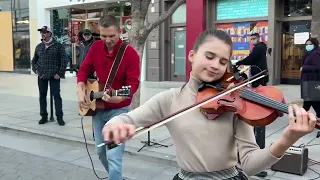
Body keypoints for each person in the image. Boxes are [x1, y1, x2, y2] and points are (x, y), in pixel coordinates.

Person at [100, 29, 317, 180]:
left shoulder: (235, 105)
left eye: (223, 62)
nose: (216, 66)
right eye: (210, 56)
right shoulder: (170, 99)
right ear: (192, 55)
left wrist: (288, 139)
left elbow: (249, 165)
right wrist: (116, 124)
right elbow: (127, 118)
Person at [77, 15, 140, 180]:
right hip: (98, 111)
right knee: (100, 152)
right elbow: (83, 69)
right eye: (104, 36)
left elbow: (133, 85)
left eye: (112, 36)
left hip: (119, 112)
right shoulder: (96, 47)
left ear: (119, 32)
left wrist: (119, 97)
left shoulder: (130, 53)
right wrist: (80, 88)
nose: (108, 40)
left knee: (113, 156)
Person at [235, 32, 269, 177]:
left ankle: (255, 159)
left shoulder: (259, 48)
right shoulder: (261, 47)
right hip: (258, 76)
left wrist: (239, 62)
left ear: (257, 39)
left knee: (258, 121)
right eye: (251, 40)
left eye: (252, 39)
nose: (252, 41)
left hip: (258, 77)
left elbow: (252, 59)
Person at [31, 26, 67, 126]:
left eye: (45, 32)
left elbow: (64, 61)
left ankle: (59, 117)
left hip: (54, 75)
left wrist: (59, 73)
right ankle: (44, 116)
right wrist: (36, 70)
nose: (43, 34)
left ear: (50, 34)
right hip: (42, 75)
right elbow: (34, 61)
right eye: (42, 32)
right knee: (42, 96)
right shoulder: (39, 47)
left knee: (57, 96)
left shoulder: (58, 46)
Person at [301, 38, 320, 117]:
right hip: (309, 81)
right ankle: (301, 117)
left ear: (314, 45)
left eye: (310, 44)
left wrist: (304, 68)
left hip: (312, 81)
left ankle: (300, 117)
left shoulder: (315, 54)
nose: (308, 46)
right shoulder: (310, 53)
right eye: (306, 44)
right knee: (311, 102)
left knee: (311, 101)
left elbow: (318, 67)